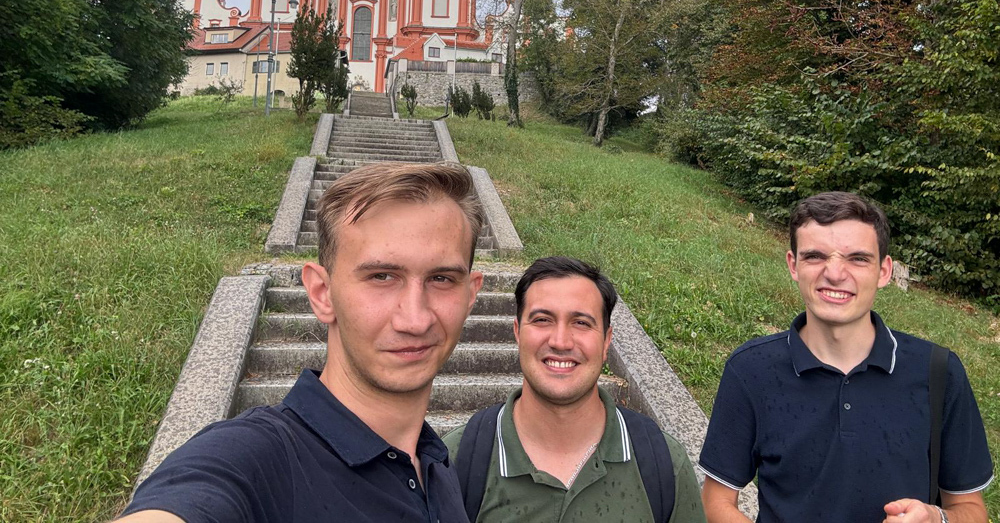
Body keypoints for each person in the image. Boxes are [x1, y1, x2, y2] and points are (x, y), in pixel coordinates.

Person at [117, 162, 486, 522]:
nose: (416, 319)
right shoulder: (255, 459)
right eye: (382, 276)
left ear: (470, 295)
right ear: (322, 293)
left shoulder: (437, 464)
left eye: (441, 279)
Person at [700, 191, 993, 523]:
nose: (835, 273)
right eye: (815, 256)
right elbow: (716, 500)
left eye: (857, 259)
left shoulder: (938, 372)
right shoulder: (751, 370)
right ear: (793, 265)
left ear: (884, 271)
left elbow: (971, 510)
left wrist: (936, 518)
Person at [444, 256, 707, 523]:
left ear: (606, 341)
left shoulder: (665, 464)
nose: (560, 341)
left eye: (581, 323)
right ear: (517, 332)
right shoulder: (453, 461)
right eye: (542, 319)